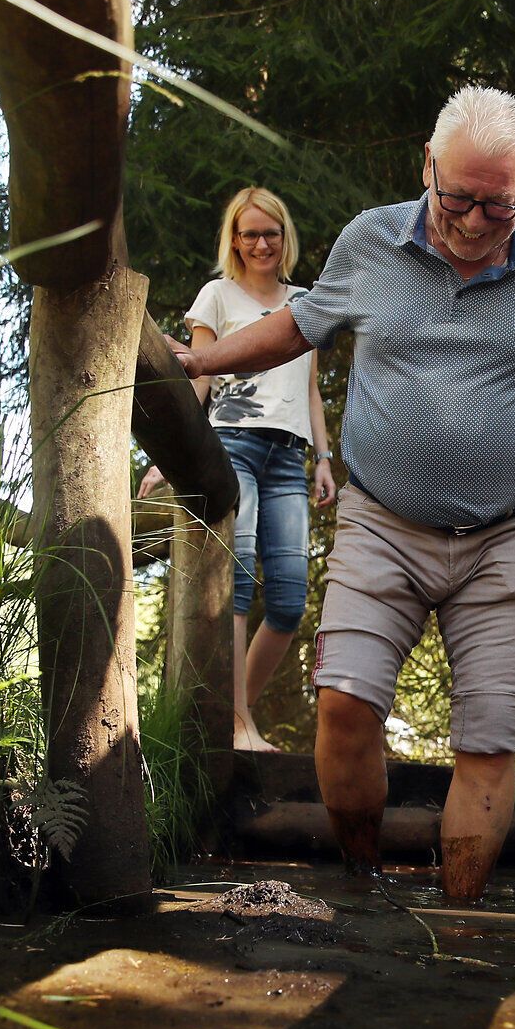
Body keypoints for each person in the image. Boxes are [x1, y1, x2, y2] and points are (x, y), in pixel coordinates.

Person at [179, 86, 515, 903]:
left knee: (490, 743)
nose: (470, 220)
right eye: (456, 197)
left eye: (495, 207)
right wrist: (204, 364)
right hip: (380, 523)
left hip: (506, 538)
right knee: (345, 708)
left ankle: (460, 921)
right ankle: (364, 890)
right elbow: (301, 323)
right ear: (427, 166)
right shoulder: (371, 243)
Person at [146, 185, 335, 752]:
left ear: (284, 237)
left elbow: (309, 388)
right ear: (234, 238)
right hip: (232, 446)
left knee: (288, 601)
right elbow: (198, 379)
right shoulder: (217, 296)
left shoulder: (305, 301)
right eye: (249, 233)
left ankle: (241, 714)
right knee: (238, 581)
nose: (261, 243)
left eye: (270, 233)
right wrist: (164, 455)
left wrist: (324, 459)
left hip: (288, 457)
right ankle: (235, 726)